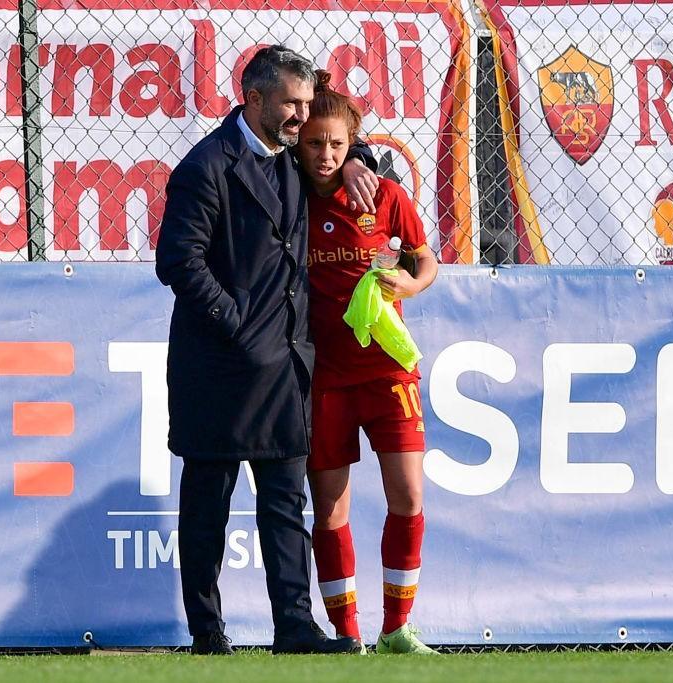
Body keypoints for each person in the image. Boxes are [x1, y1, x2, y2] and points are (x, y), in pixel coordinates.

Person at [154, 46, 379, 656]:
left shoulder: (293, 157)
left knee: (286, 504)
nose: (302, 118)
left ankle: (295, 628)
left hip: (286, 369)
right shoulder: (207, 166)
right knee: (208, 505)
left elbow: (334, 149)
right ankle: (207, 633)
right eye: (291, 104)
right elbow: (177, 260)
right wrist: (234, 321)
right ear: (253, 99)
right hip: (218, 369)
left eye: (307, 105)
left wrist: (358, 156)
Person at [296, 71, 439, 654]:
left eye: (337, 144)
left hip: (387, 371)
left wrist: (409, 282)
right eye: (314, 143)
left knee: (407, 496)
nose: (325, 154)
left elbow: (425, 261)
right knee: (329, 507)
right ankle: (348, 636)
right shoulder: (287, 194)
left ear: (352, 142)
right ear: (298, 144)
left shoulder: (386, 196)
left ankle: (397, 629)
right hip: (323, 376)